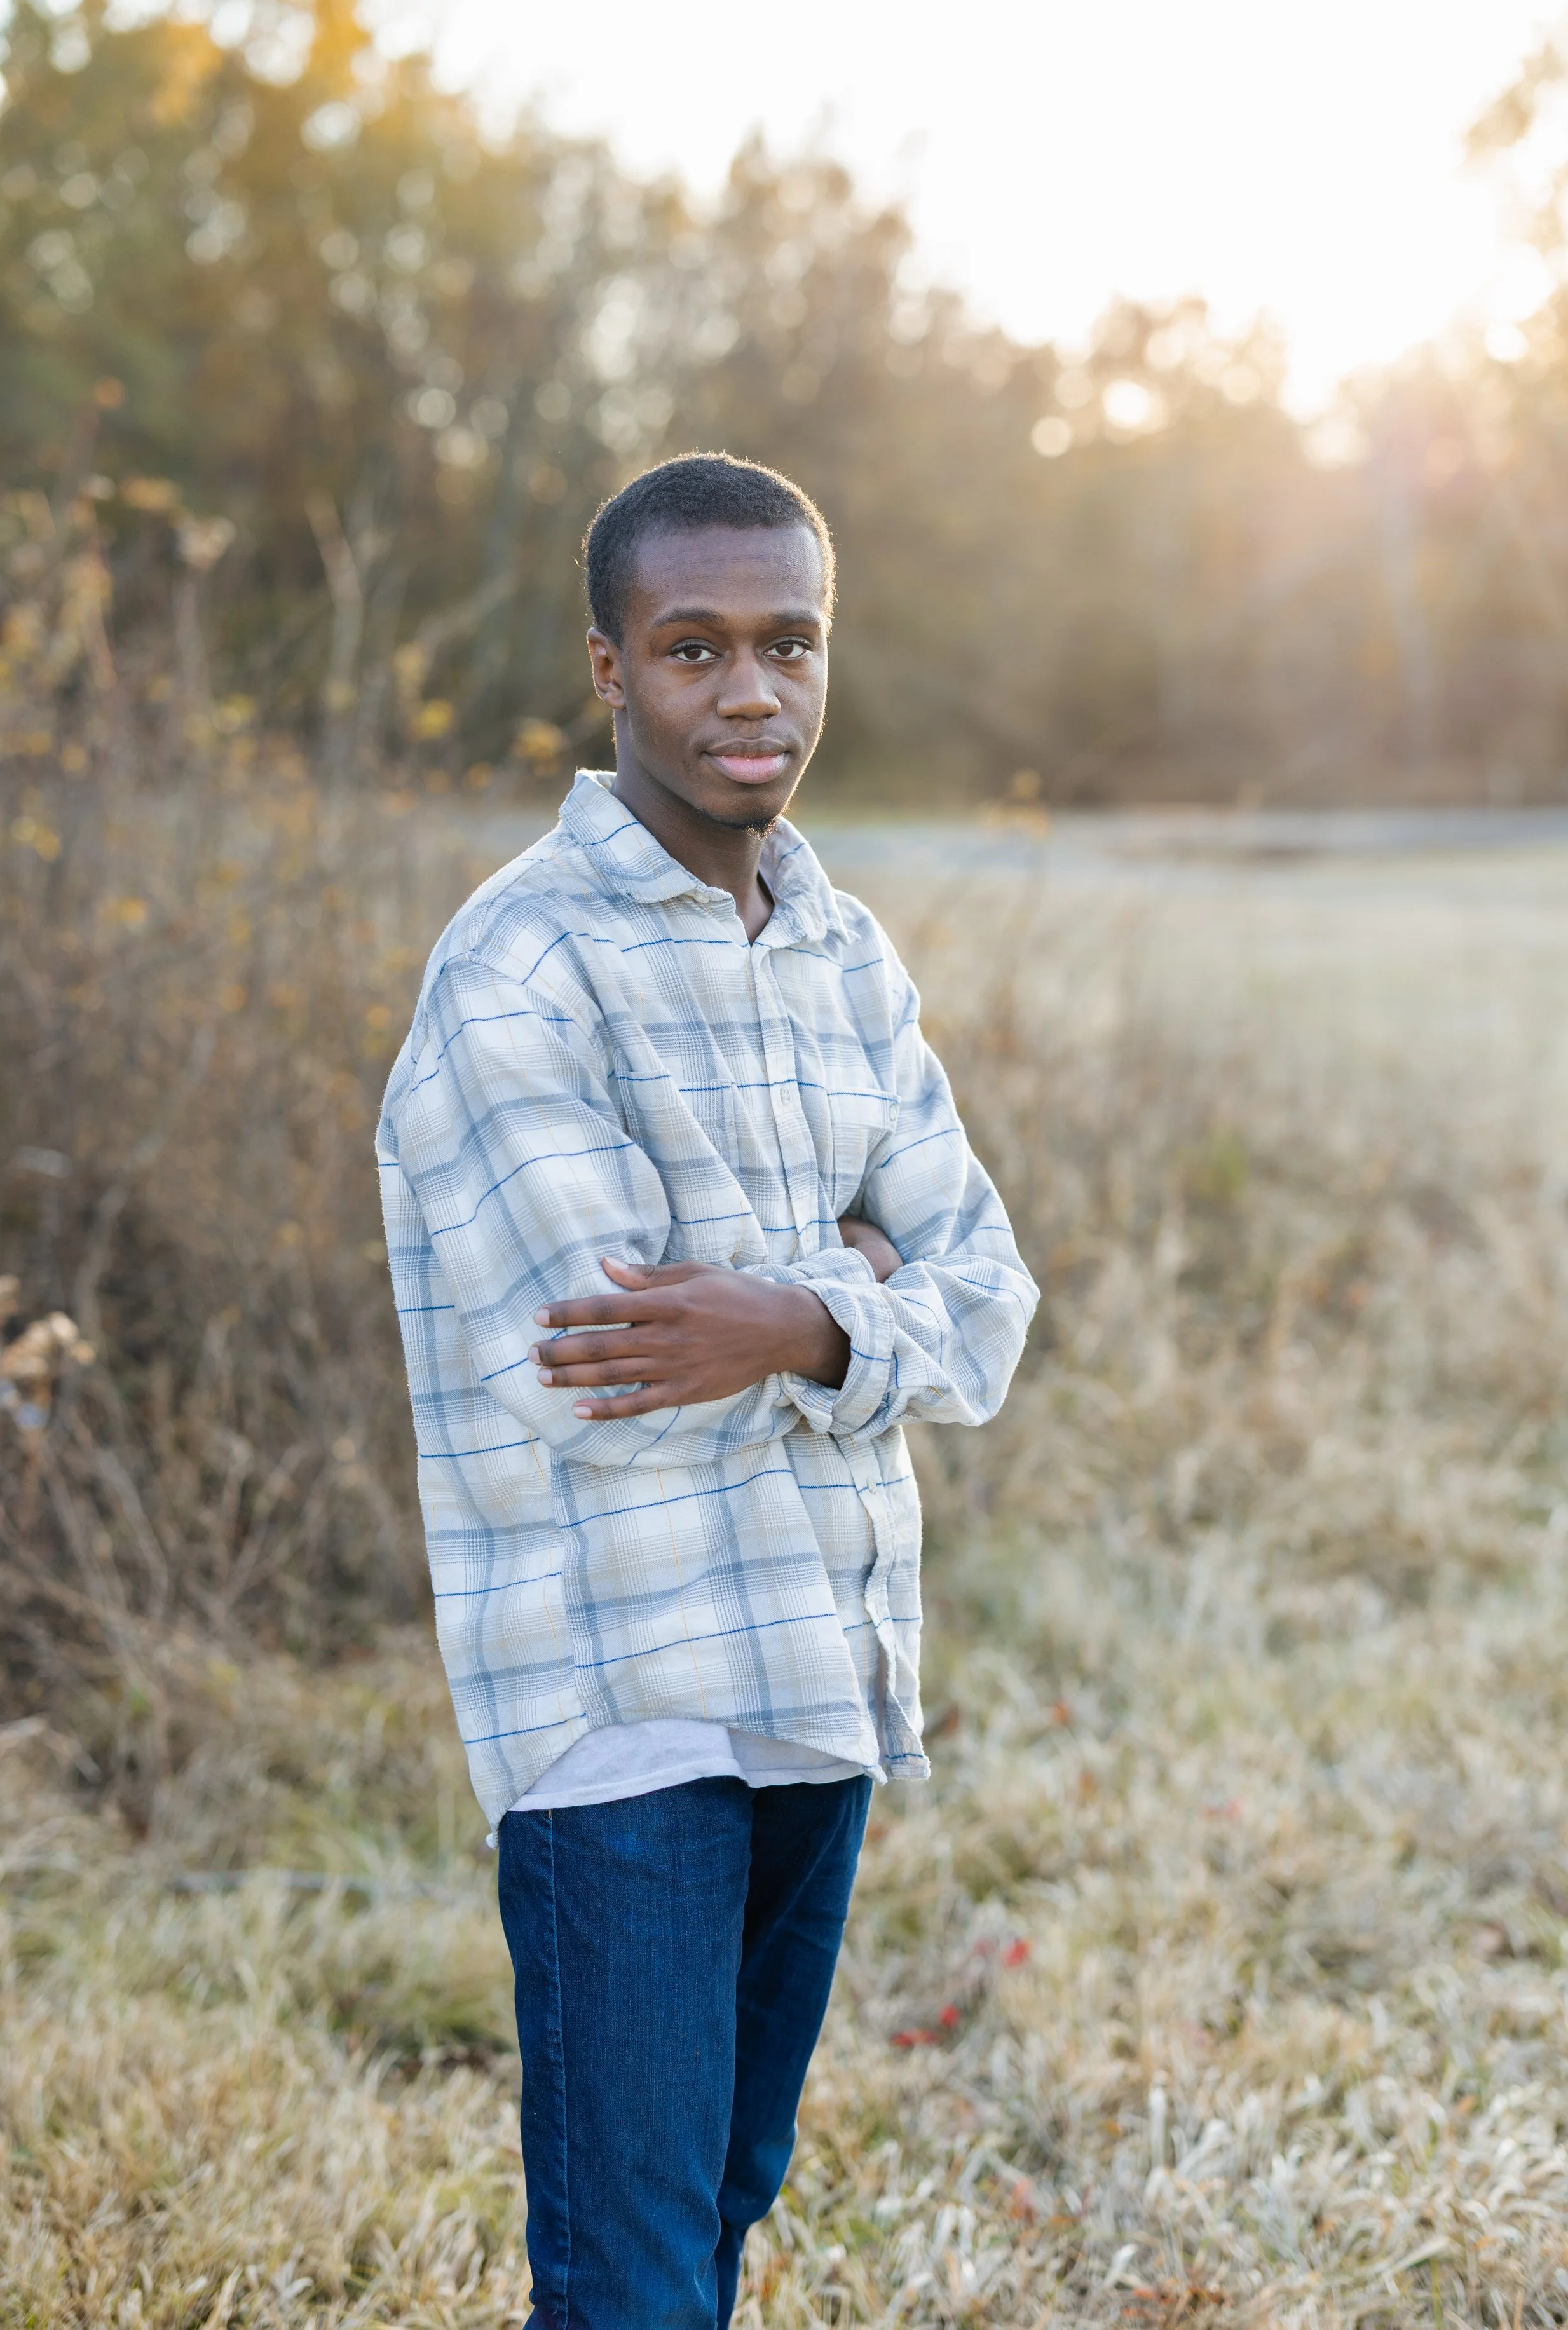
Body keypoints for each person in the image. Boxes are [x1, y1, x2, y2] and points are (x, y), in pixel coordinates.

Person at [378, 453, 1037, 2329]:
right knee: (630, 2262)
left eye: (788, 643)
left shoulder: (840, 955)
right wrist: (847, 1280)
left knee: (727, 2200)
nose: (750, 691)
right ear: (609, 666)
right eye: (694, 648)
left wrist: (795, 1316)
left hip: (818, 1674)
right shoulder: (518, 969)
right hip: (623, 1704)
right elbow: (617, 1350)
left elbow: (985, 1297)